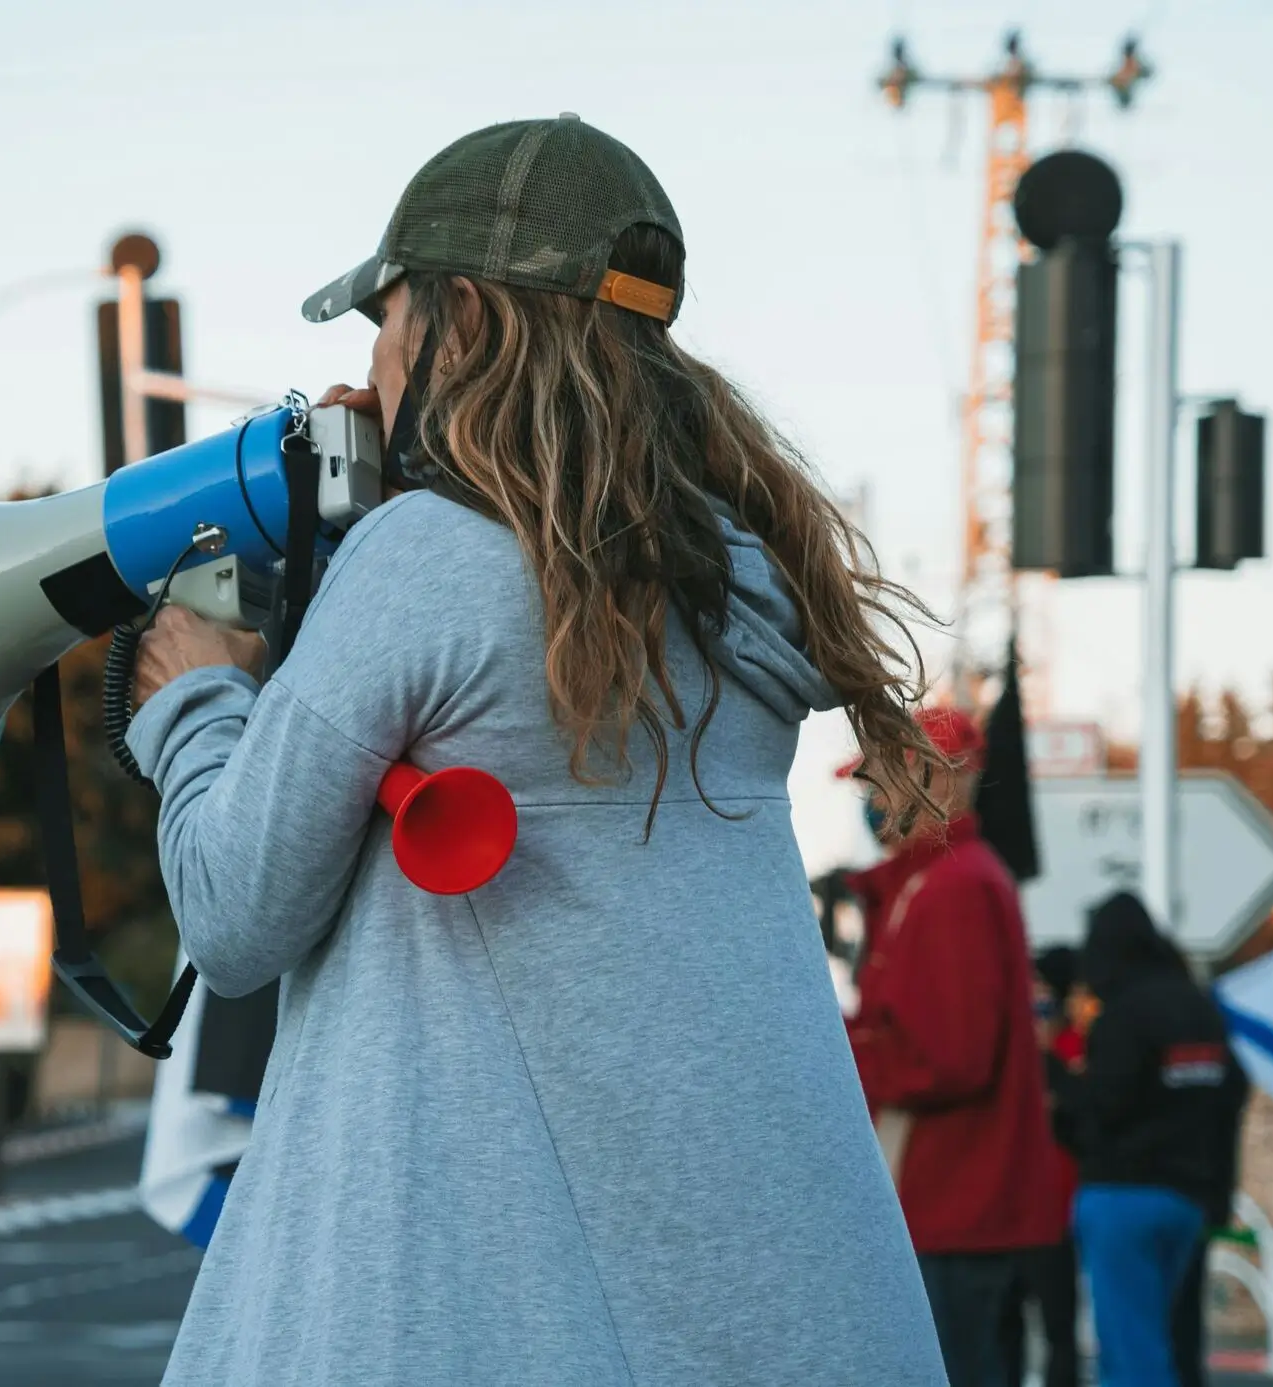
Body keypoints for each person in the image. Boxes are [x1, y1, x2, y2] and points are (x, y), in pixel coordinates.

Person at [123, 114, 951, 1385]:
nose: (374, 368)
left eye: (386, 324)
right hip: (784, 1305)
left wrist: (193, 698)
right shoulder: (742, 571)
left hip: (497, 1317)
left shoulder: (429, 563)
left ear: (453, 320)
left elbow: (234, 914)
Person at [843, 706, 1062, 1387]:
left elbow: (948, 1056)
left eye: (877, 781)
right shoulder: (940, 881)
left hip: (949, 1203)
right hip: (950, 1203)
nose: (871, 801)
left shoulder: (953, 886)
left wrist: (837, 1058)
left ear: (930, 778)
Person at [1055, 891, 1251, 1387]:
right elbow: (1230, 1096)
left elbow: (1105, 1108)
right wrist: (1219, 1192)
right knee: (1173, 1345)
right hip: (1187, 1200)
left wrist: (1060, 1087)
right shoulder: (1199, 1008)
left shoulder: (1124, 1014)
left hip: (1123, 1197)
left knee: (1130, 1356)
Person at [1003, 945, 1086, 1387]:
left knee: (1059, 1331)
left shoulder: (1073, 1053)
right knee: (1005, 1333)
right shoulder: (1011, 1060)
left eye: (1043, 1006)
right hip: (1010, 1214)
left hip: (1054, 1214)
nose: (1036, 1016)